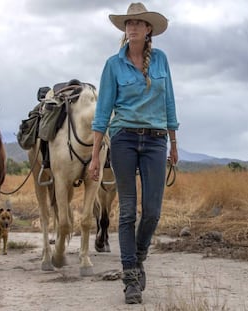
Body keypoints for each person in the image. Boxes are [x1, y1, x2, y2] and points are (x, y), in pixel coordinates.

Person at [88, 2, 179, 304]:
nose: (133, 27)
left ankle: (137, 257)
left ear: (148, 29)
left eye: (138, 23)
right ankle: (130, 278)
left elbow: (169, 104)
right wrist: (94, 155)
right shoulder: (113, 65)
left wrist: (174, 142)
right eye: (129, 23)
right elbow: (102, 113)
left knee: (152, 212)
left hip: (155, 141)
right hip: (124, 139)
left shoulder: (161, 60)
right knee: (127, 211)